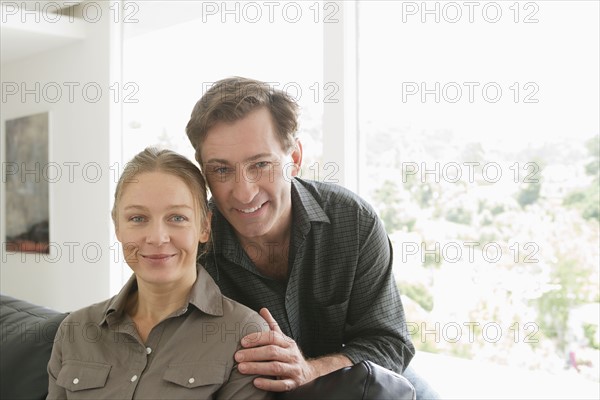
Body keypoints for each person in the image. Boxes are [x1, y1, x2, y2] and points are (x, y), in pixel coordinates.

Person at [185, 77, 437, 397]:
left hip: (358, 377)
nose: (244, 193)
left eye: (261, 164)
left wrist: (309, 370)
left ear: (295, 158)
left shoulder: (354, 219)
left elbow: (389, 343)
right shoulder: (192, 246)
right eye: (221, 170)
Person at [46, 148, 272, 399]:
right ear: (118, 227)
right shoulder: (74, 330)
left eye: (177, 217)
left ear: (204, 226)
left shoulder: (246, 335)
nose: (157, 238)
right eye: (138, 218)